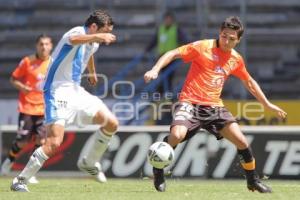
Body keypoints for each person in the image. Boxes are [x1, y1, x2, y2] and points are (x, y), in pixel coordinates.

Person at [144, 16, 287, 193]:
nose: (226, 41)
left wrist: (267, 104)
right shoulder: (202, 46)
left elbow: (248, 81)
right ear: (220, 33)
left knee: (241, 141)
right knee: (177, 135)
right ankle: (158, 171)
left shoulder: (236, 59)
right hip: (190, 102)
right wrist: (155, 69)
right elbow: (172, 53)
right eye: (224, 36)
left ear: (239, 40)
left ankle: (253, 181)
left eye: (231, 38)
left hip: (214, 107)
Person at [10, 10, 119, 192]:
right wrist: (101, 36)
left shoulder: (93, 40)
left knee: (112, 123)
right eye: (104, 32)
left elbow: (90, 50)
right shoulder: (76, 31)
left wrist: (91, 71)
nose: (104, 37)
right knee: (54, 142)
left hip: (76, 90)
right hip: (57, 90)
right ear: (93, 27)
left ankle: (89, 162)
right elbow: (76, 40)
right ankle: (20, 181)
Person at [1, 34, 53, 184]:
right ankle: (9, 161)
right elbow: (13, 79)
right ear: (37, 46)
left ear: (51, 46)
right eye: (41, 44)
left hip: (44, 109)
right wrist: (22, 87)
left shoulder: (53, 63)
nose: (44, 47)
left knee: (41, 140)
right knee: (22, 142)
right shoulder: (27, 62)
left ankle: (30, 173)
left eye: (47, 44)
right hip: (27, 107)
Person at [145, 10, 188, 95]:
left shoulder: (176, 29)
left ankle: (164, 94)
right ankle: (164, 94)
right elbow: (154, 40)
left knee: (169, 77)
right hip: (161, 57)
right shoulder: (160, 29)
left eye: (169, 19)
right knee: (163, 76)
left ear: (172, 20)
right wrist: (147, 49)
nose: (167, 21)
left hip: (172, 58)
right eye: (166, 19)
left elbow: (183, 40)